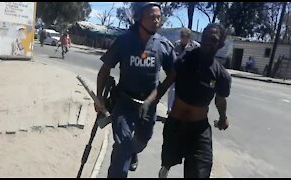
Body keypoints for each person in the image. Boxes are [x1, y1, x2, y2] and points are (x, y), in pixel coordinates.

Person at [95, 2, 176, 178]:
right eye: (152, 17)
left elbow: (172, 75)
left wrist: (155, 96)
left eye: (158, 18)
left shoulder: (163, 45)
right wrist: (99, 98)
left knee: (141, 141)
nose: (156, 21)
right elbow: (104, 70)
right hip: (124, 103)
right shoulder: (124, 41)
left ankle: (132, 152)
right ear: (140, 19)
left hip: (148, 106)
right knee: (122, 144)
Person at [156, 23, 232, 178]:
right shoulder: (186, 57)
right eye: (205, 37)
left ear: (221, 44)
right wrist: (150, 102)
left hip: (199, 129)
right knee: (169, 158)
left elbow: (220, 100)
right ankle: (166, 167)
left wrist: (223, 118)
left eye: (213, 39)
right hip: (176, 124)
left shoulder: (221, 75)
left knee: (199, 172)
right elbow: (167, 82)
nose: (207, 41)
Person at [167, 27, 200, 115]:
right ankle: (170, 110)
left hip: (190, 73)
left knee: (188, 92)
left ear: (189, 37)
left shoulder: (195, 46)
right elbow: (173, 57)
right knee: (172, 90)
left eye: (184, 36)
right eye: (181, 36)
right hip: (177, 71)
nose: (182, 38)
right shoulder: (176, 45)